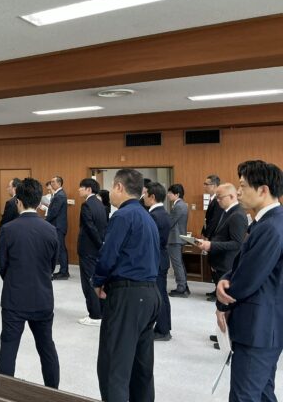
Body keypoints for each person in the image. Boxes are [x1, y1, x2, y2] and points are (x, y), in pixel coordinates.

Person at [216, 160, 283, 401]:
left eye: (243, 186)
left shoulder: (271, 226)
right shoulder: (267, 222)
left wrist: (223, 302)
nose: (239, 191)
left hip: (258, 327)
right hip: (266, 325)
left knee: (244, 395)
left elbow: (248, 279)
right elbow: (244, 264)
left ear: (263, 190)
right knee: (263, 392)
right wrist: (225, 278)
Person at [93, 168, 161, 402]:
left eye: (112, 187)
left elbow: (108, 255)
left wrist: (98, 281)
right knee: (141, 370)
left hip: (128, 297)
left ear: (119, 187)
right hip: (150, 295)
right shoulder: (147, 217)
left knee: (114, 368)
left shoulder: (122, 216)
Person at [0, 177, 60, 388]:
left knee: (8, 348)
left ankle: (3, 394)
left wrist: (14, 279)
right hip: (42, 297)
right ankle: (53, 393)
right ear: (38, 201)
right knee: (46, 347)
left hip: (14, 298)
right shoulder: (50, 230)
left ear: (19, 201)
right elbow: (52, 265)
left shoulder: (8, 229)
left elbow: (2, 265)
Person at [196, 183, 247, 302]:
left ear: (232, 196)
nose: (217, 200)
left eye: (220, 197)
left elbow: (237, 244)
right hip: (220, 261)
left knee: (225, 302)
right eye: (217, 197)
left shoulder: (237, 215)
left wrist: (211, 245)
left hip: (227, 264)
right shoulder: (226, 212)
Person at [77, 178, 108, 326]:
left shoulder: (87, 205)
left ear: (89, 189)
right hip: (97, 250)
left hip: (88, 249)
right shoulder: (100, 204)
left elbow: (90, 228)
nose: (79, 190)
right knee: (97, 280)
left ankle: (94, 315)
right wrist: (101, 244)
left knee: (88, 283)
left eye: (81, 187)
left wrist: (99, 243)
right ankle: (101, 312)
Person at [143, 182, 172, 341]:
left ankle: (163, 330)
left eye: (145, 194)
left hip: (156, 260)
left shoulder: (154, 216)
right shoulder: (163, 213)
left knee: (159, 296)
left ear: (152, 197)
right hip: (161, 258)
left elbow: (149, 241)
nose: (143, 197)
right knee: (162, 295)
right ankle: (164, 327)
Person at [167, 183, 190, 297]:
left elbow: (170, 222)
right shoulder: (181, 205)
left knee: (177, 264)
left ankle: (181, 288)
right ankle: (184, 286)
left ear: (177, 194)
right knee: (179, 263)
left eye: (170, 193)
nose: (168, 195)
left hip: (175, 239)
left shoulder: (178, 206)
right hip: (178, 238)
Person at [46, 176, 69, 280]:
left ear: (59, 183)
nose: (51, 184)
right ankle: (63, 271)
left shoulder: (60, 195)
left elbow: (54, 212)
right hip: (57, 225)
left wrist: (45, 221)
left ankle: (64, 272)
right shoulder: (58, 194)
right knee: (60, 248)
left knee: (61, 249)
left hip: (58, 226)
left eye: (53, 182)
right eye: (51, 182)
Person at [201, 174, 223, 240]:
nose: (204, 186)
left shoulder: (218, 200)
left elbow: (214, 221)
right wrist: (203, 233)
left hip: (213, 237)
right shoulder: (212, 199)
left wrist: (207, 236)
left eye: (206, 184)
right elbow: (207, 219)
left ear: (214, 186)